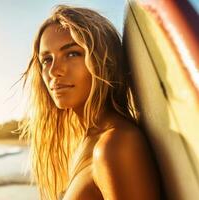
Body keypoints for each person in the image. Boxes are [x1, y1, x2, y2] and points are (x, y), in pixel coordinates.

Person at [20, 5, 161, 200]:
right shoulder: (86, 140)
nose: (54, 71)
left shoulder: (116, 144)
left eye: (72, 54)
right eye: (47, 59)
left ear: (104, 60)